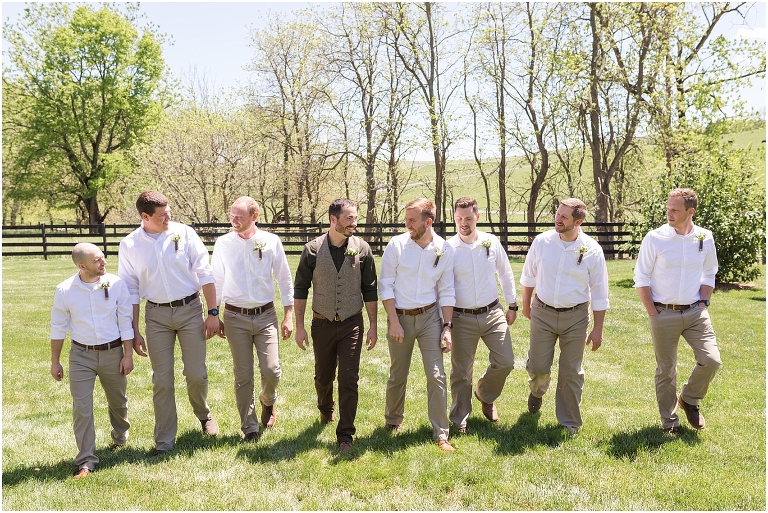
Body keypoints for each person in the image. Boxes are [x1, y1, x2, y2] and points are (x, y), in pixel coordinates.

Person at [118, 190, 220, 460]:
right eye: (162, 215)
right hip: (156, 315)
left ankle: (204, 414)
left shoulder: (184, 233)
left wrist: (213, 312)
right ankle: (164, 441)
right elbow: (130, 290)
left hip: (190, 310)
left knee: (196, 373)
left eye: (169, 212)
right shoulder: (129, 245)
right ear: (145, 216)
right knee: (162, 380)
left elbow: (205, 272)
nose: (168, 218)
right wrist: (134, 330)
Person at [633, 188, 721, 433]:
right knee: (666, 370)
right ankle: (669, 422)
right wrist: (652, 312)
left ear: (690, 212)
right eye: (668, 208)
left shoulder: (704, 237)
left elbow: (709, 272)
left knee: (711, 360)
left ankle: (689, 399)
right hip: (663, 313)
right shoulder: (655, 238)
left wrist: (704, 301)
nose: (668, 213)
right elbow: (641, 277)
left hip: (695, 312)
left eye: (675, 209)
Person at [293, 198, 378, 454]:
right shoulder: (311, 250)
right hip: (322, 323)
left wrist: (373, 325)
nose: (354, 223)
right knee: (323, 377)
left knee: (349, 378)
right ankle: (325, 407)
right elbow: (300, 289)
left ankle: (345, 435)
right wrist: (299, 326)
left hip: (352, 322)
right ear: (333, 219)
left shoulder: (362, 249)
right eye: (349, 218)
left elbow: (370, 290)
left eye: (355, 218)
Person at [520, 198, 609, 435]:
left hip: (576, 317)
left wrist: (597, 329)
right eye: (557, 214)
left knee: (571, 371)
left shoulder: (592, 250)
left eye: (564, 217)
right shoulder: (542, 242)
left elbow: (600, 292)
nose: (557, 219)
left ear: (578, 222)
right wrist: (526, 305)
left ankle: (569, 422)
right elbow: (528, 276)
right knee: (538, 366)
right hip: (543, 312)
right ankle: (537, 391)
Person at [211, 196, 294, 442]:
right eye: (231, 216)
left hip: (266, 315)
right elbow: (217, 280)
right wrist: (214, 313)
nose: (234, 221)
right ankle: (250, 427)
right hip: (235, 317)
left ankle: (268, 401)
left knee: (272, 370)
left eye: (239, 217)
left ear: (254, 216)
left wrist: (288, 315)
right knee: (243, 374)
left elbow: (284, 278)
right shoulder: (223, 243)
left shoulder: (271, 241)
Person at [50, 243, 134, 479]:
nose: (103, 262)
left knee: (118, 401)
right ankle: (86, 460)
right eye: (97, 260)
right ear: (82, 266)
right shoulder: (65, 290)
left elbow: (125, 320)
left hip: (113, 352)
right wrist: (55, 361)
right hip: (81, 356)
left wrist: (127, 355)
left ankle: (120, 435)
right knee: (82, 408)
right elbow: (58, 326)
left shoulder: (116, 284)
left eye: (102, 257)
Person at [379, 197, 456, 451]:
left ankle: (441, 433)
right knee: (398, 374)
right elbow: (385, 284)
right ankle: (392, 421)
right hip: (399, 317)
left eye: (412, 220)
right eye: (406, 219)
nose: (407, 224)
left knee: (436, 375)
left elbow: (447, 290)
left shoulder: (444, 249)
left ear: (428, 222)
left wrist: (447, 327)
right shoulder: (397, 245)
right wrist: (394, 321)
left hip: (430, 318)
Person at [447, 197, 517, 434]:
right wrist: (445, 322)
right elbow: (442, 286)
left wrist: (512, 304)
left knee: (506, 361)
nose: (463, 223)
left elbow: (505, 273)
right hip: (461, 316)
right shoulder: (448, 248)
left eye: (468, 218)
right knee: (461, 371)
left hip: (492, 312)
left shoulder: (491, 242)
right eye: (459, 218)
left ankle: (485, 394)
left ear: (477, 217)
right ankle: (460, 418)